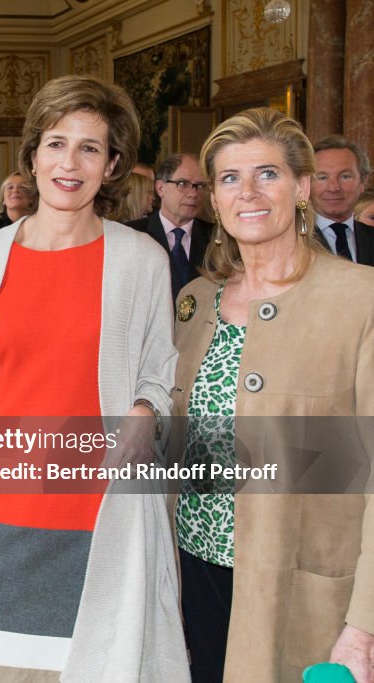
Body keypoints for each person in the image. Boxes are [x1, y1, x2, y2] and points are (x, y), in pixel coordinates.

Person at [0, 74, 188, 682]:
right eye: (56, 143)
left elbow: (159, 372)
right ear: (33, 155)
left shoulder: (140, 261)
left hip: (104, 527)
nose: (71, 163)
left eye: (90, 148)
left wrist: (146, 409)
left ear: (113, 163)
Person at [172, 107, 374, 683]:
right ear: (213, 196)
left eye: (269, 174)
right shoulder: (194, 301)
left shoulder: (360, 299)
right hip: (197, 574)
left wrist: (365, 626)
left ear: (302, 187)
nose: (249, 192)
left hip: (306, 587)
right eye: (230, 178)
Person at [128, 153, 214, 302]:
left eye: (200, 186)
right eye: (182, 184)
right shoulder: (131, 235)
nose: (193, 193)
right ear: (161, 188)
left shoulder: (217, 237)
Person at [310, 134, 374, 265]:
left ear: (363, 182)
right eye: (322, 178)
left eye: (345, 177)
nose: (334, 188)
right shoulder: (293, 240)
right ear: (306, 184)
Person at [0, 171, 35, 237]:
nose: (15, 190)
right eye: (10, 187)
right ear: (3, 199)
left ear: (32, 198)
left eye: (22, 187)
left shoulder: (43, 227)